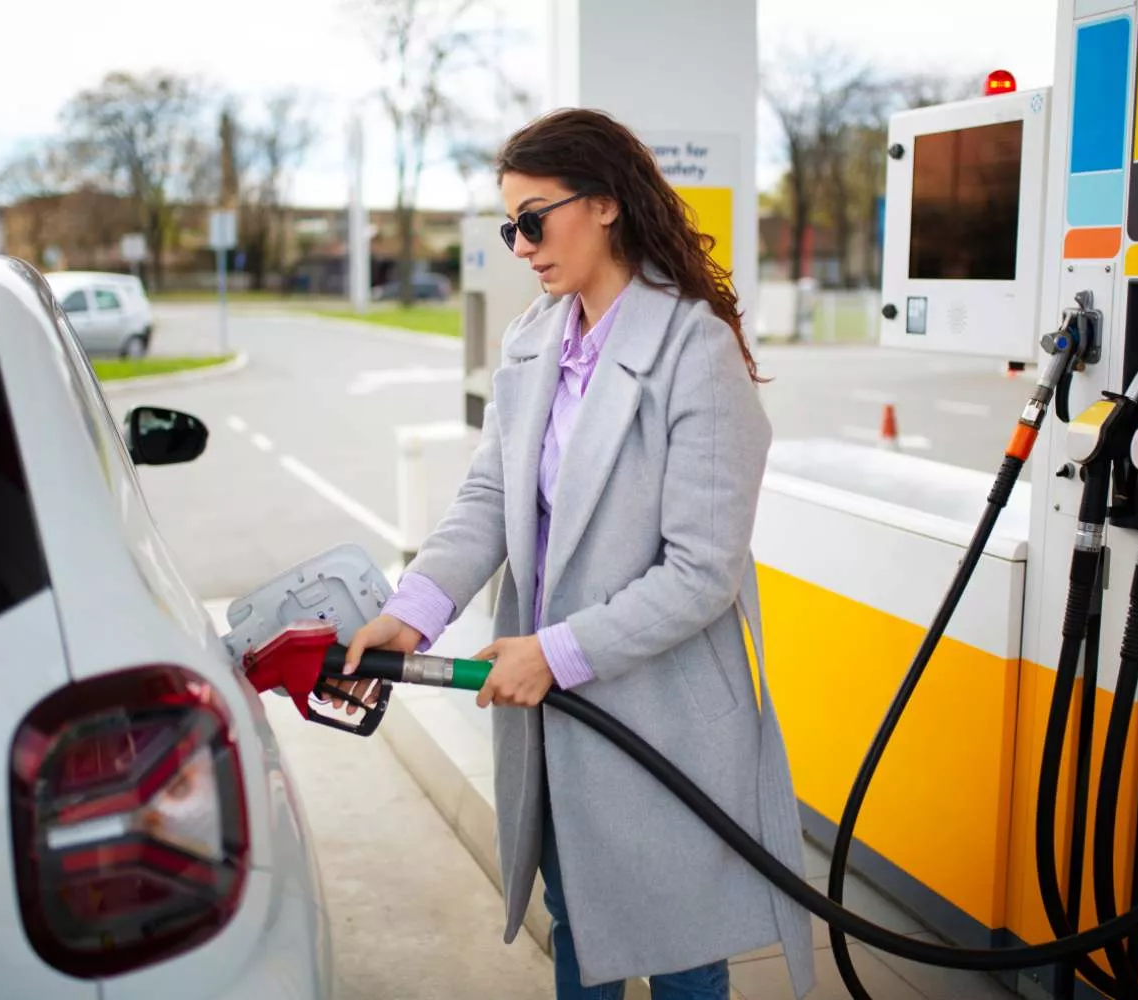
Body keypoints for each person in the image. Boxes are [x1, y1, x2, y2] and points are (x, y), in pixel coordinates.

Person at [336, 107, 815, 1000]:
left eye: (533, 220)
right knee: (579, 928)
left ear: (603, 204)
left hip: (662, 714)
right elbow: (489, 497)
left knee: (680, 952)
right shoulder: (533, 340)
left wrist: (554, 654)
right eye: (509, 227)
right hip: (558, 715)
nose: (521, 246)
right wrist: (413, 613)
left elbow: (703, 571)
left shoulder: (695, 350)